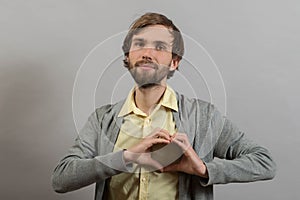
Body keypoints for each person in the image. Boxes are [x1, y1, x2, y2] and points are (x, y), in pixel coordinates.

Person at [52, 12, 276, 200]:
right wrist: (127, 157)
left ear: (174, 62)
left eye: (159, 47)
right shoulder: (102, 119)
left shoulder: (204, 117)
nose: (147, 54)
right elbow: (61, 179)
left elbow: (264, 163)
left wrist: (203, 169)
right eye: (139, 44)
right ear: (128, 56)